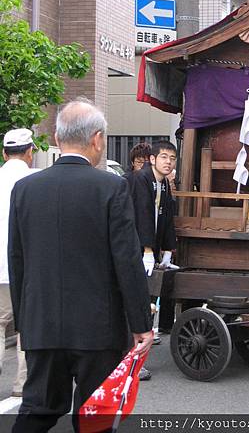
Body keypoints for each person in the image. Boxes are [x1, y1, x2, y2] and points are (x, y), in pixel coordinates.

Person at [8, 99, 153, 432]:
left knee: (37, 409)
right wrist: (140, 323)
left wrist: (24, 320)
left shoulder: (25, 189)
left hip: (41, 322)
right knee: (94, 416)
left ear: (58, 140)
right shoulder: (111, 187)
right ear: (97, 139)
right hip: (97, 329)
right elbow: (127, 260)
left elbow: (17, 260)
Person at [125, 140, 178, 379]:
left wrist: (168, 249)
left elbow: (166, 217)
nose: (168, 162)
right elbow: (141, 214)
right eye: (164, 157)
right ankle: (131, 362)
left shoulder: (163, 183)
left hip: (149, 251)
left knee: (148, 305)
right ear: (152, 159)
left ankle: (136, 361)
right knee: (137, 305)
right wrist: (146, 250)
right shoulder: (140, 179)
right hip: (134, 250)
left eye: (172, 158)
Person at [0, 129, 39, 397]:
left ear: (4, 153)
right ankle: (22, 384)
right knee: (28, 324)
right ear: (30, 152)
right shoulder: (36, 182)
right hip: (27, 267)